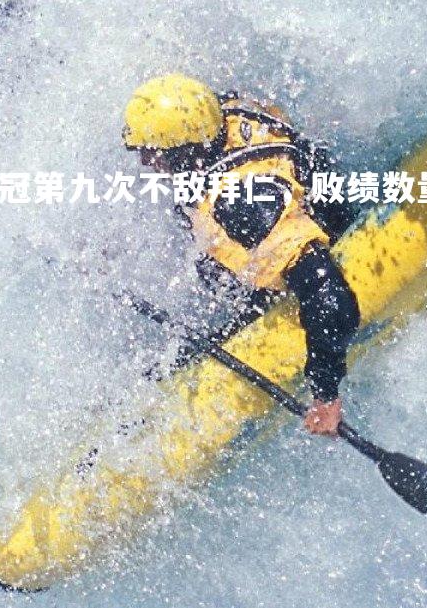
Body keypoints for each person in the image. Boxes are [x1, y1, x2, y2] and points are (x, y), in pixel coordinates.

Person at [122, 73, 361, 436]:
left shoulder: (242, 206)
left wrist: (325, 394)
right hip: (303, 202)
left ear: (183, 152)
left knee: (180, 353)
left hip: (310, 256)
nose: (144, 162)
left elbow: (330, 298)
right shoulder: (223, 113)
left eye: (152, 153)